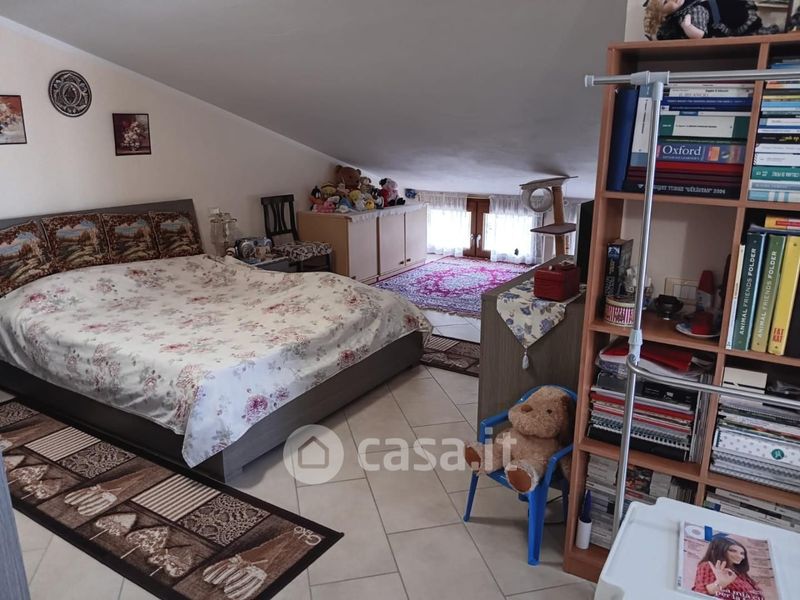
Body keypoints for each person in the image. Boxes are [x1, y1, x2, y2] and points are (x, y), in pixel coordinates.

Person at [692, 534, 764, 599]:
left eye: (742, 553)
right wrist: (720, 583)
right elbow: (699, 593)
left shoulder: (741, 574)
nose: (739, 556)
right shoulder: (709, 566)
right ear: (720, 550)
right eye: (733, 551)